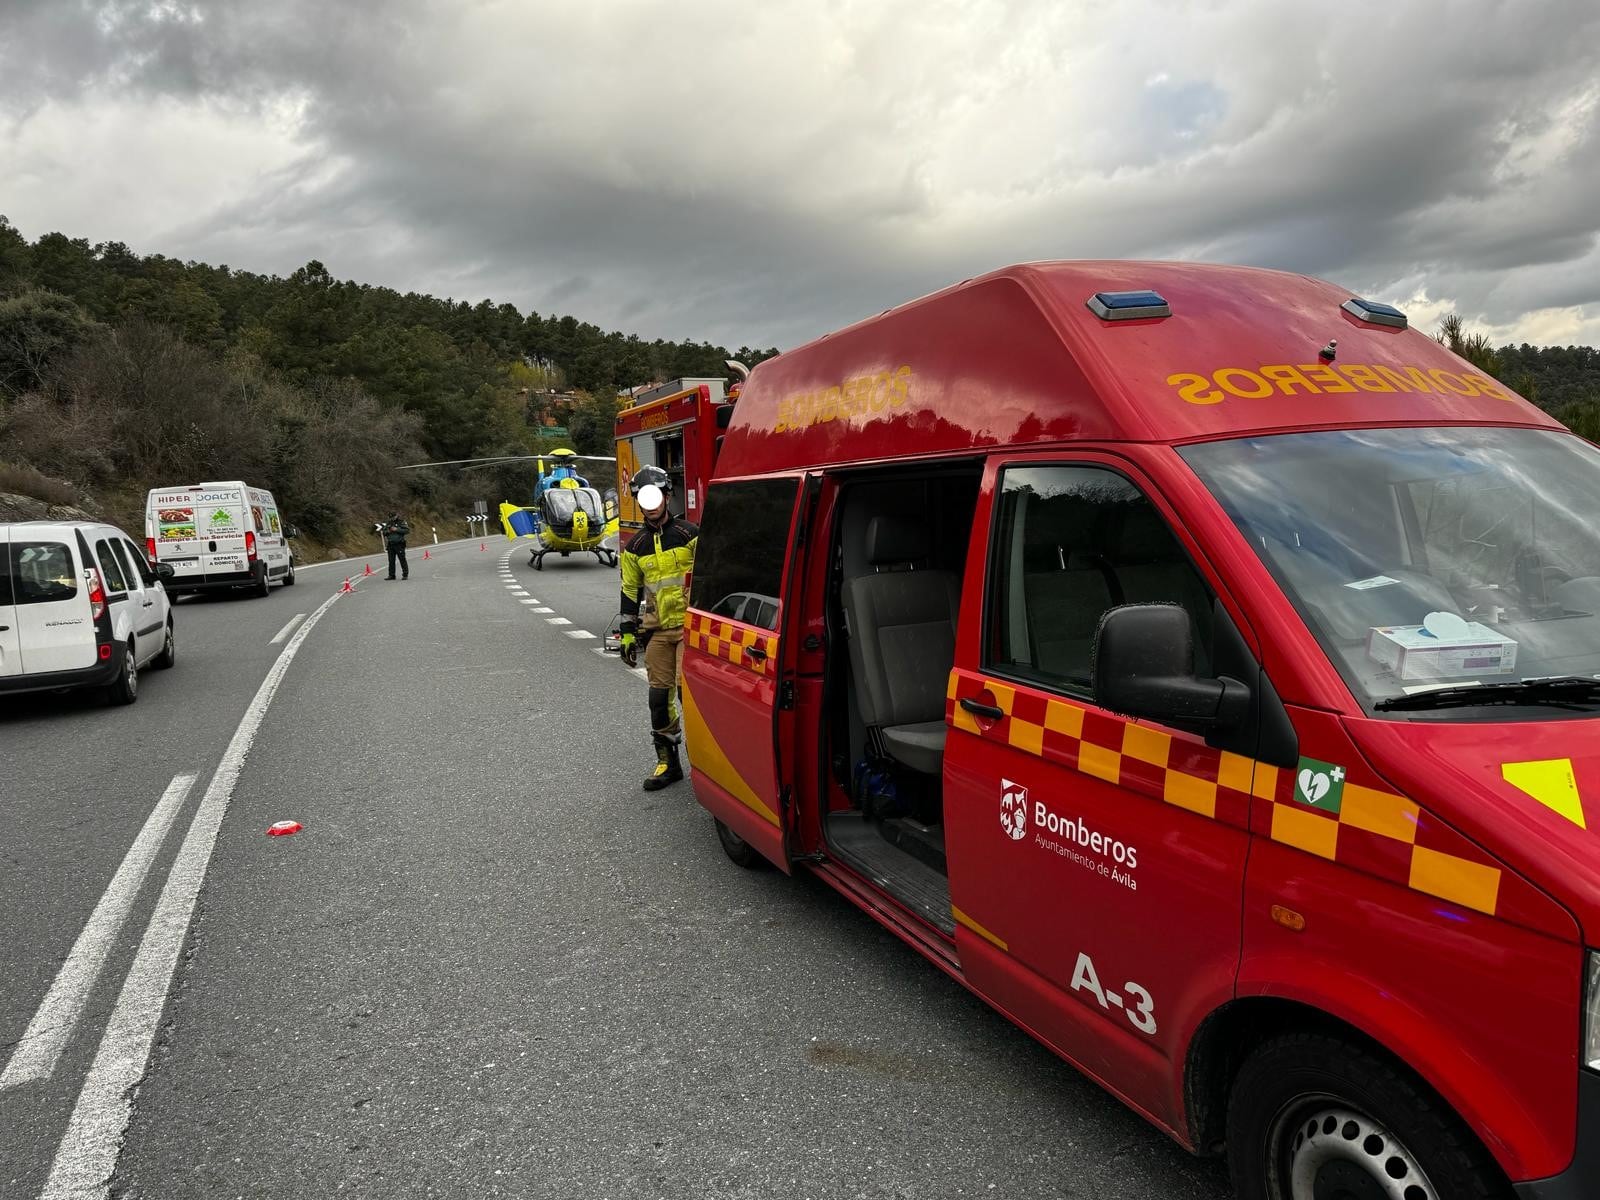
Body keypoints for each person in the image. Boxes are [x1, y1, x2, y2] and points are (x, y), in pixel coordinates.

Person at [618, 465, 697, 790]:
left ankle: (708, 764)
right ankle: (668, 763)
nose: (651, 505)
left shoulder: (691, 535)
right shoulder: (635, 548)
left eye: (656, 496)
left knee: (687, 694)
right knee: (657, 698)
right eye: (643, 499)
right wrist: (626, 634)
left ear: (666, 496)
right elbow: (628, 591)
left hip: (692, 629)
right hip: (658, 632)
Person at [382, 511, 410, 579]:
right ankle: (391, 575)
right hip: (391, 544)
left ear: (396, 516)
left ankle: (405, 574)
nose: (392, 518)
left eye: (393, 517)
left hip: (399, 544)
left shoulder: (401, 522)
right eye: (390, 517)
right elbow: (384, 532)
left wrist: (396, 529)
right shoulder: (388, 523)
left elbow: (407, 530)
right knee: (391, 560)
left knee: (402, 559)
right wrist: (388, 531)